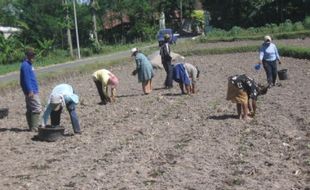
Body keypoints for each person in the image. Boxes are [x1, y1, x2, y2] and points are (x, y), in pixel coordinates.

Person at [20, 48, 42, 131]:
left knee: (30, 108)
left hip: (32, 89)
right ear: (27, 56)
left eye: (33, 55)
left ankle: (31, 126)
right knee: (37, 107)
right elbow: (25, 79)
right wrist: (30, 90)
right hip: (31, 91)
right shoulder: (25, 65)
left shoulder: (29, 64)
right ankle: (34, 127)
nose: (33, 57)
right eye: (31, 55)